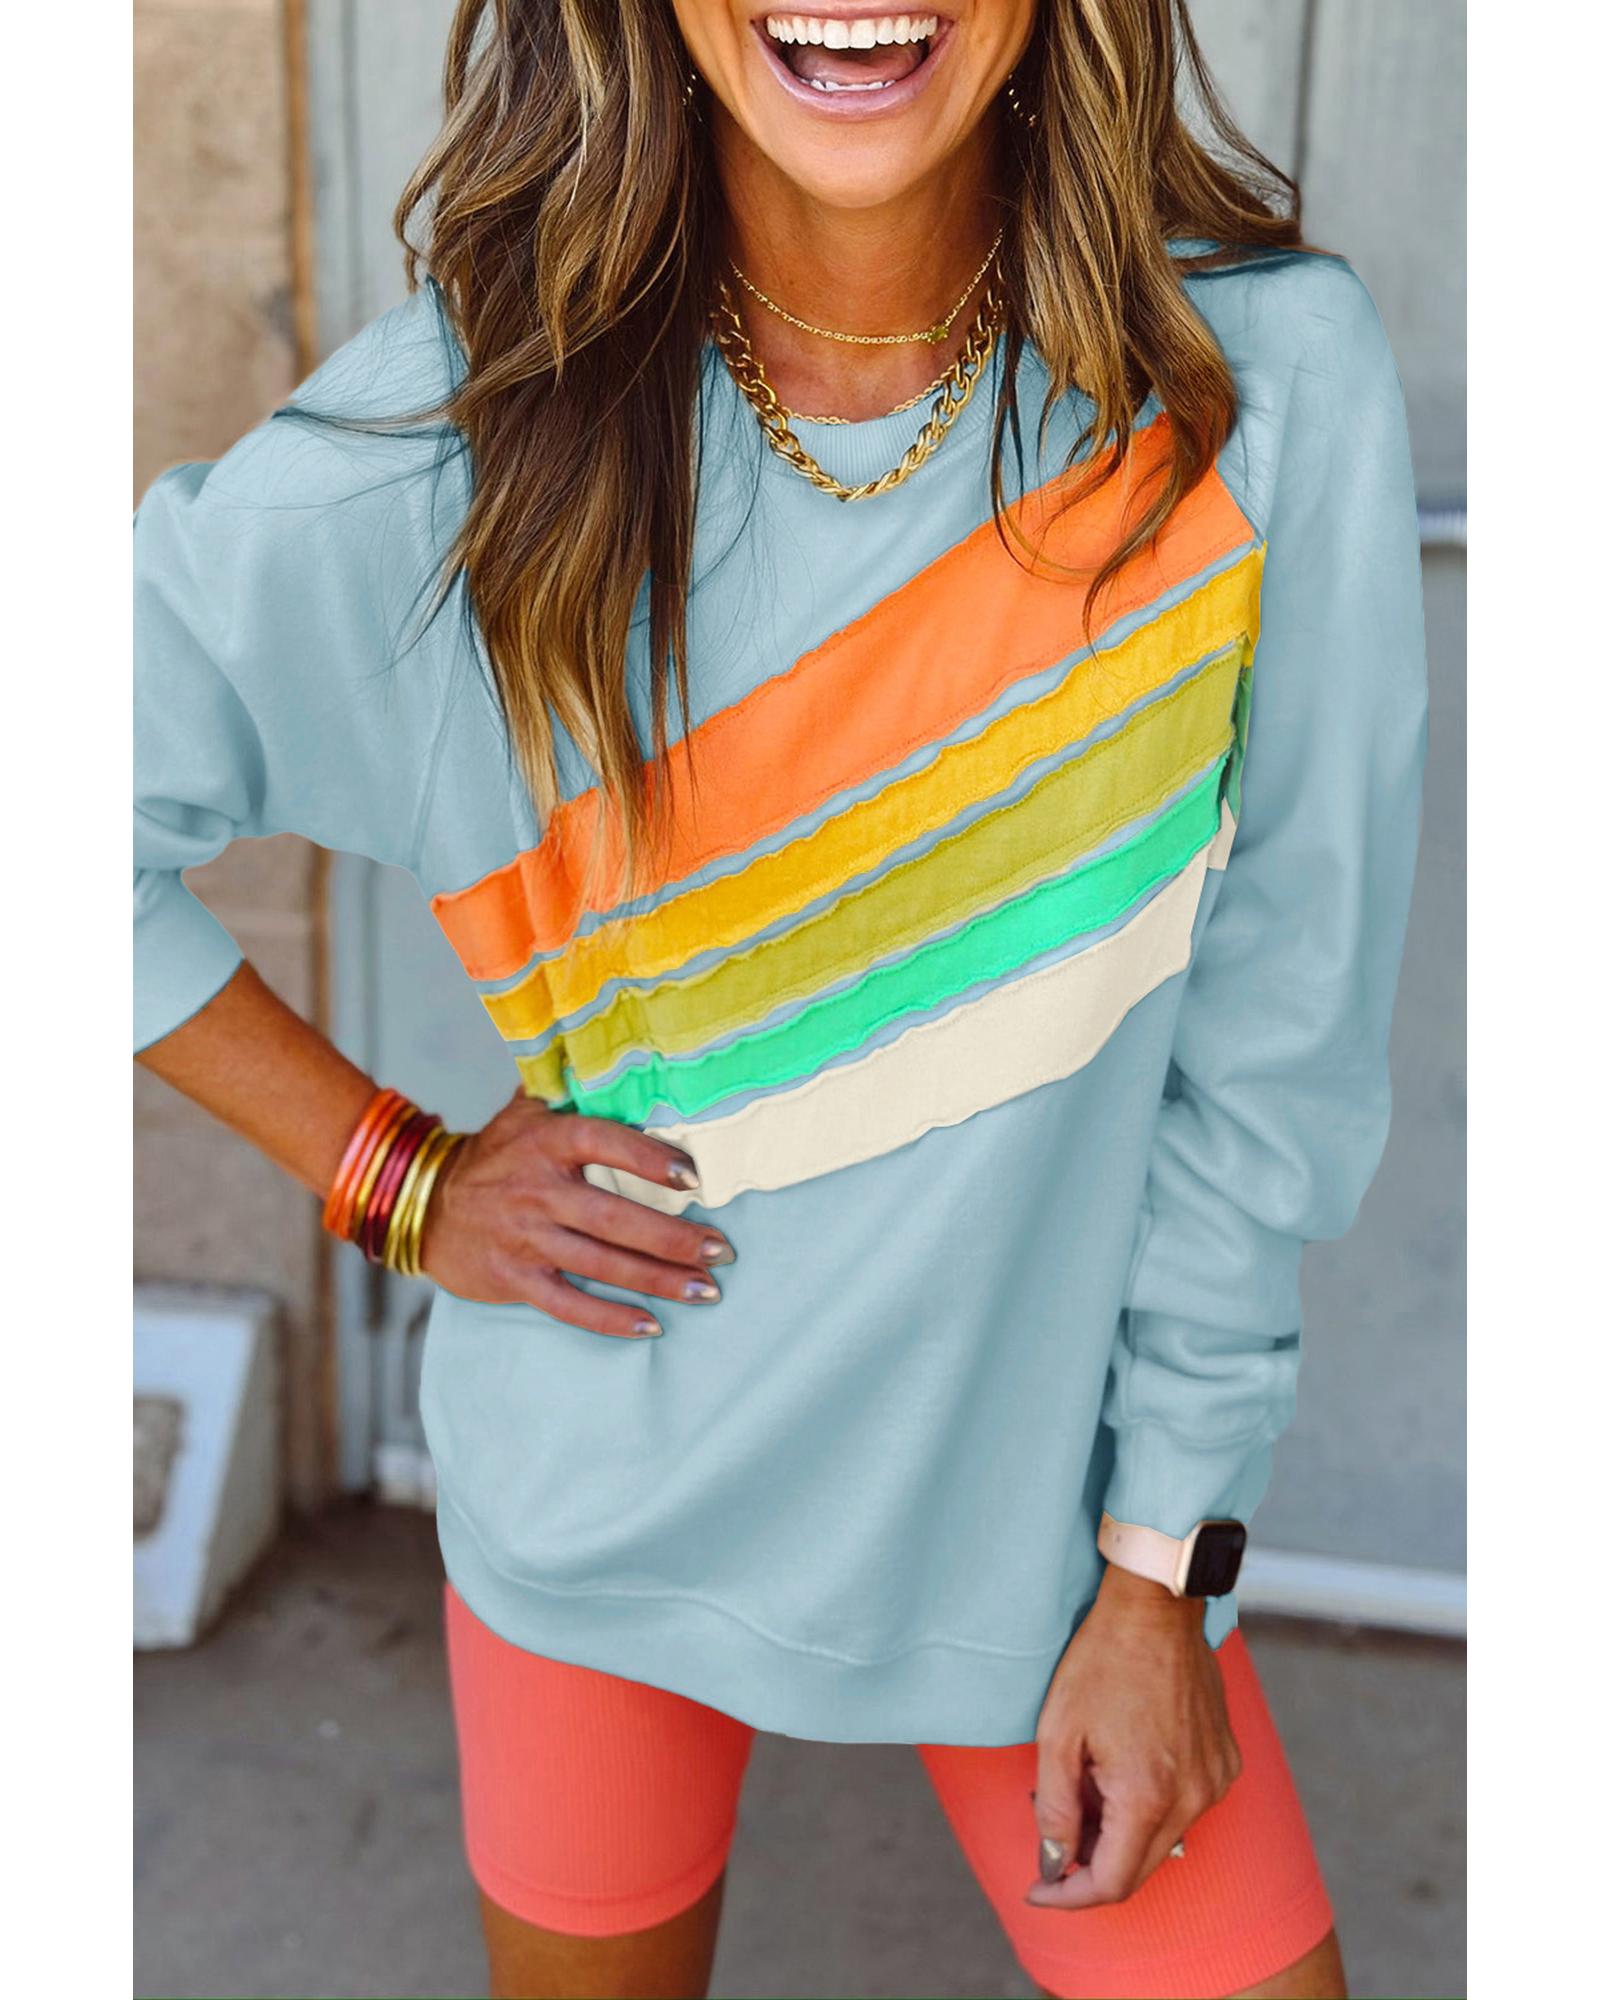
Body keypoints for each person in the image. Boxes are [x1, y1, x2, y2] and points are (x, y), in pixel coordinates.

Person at [133, 4, 1428, 1996]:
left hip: (1053, 1537)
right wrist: (393, 1175)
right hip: (602, 1505)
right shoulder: (472, 430)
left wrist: (1164, 1566)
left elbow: (1278, 1045)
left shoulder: (1254, 391)